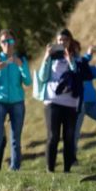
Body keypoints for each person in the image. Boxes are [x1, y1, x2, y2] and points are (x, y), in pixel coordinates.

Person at [0, 29, 31, 170]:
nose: (7, 44)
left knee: (15, 140)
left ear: (14, 42)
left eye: (10, 41)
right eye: (4, 41)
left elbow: (28, 82)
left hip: (17, 103)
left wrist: (21, 66)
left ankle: (15, 169)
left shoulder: (21, 59)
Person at [37, 30, 82, 173]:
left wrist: (70, 60)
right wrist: (46, 57)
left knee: (69, 136)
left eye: (65, 40)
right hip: (52, 100)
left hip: (70, 102)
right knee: (53, 136)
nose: (62, 43)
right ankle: (50, 170)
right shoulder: (51, 57)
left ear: (70, 41)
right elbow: (43, 76)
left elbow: (77, 74)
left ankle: (67, 170)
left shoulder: (76, 57)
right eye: (59, 40)